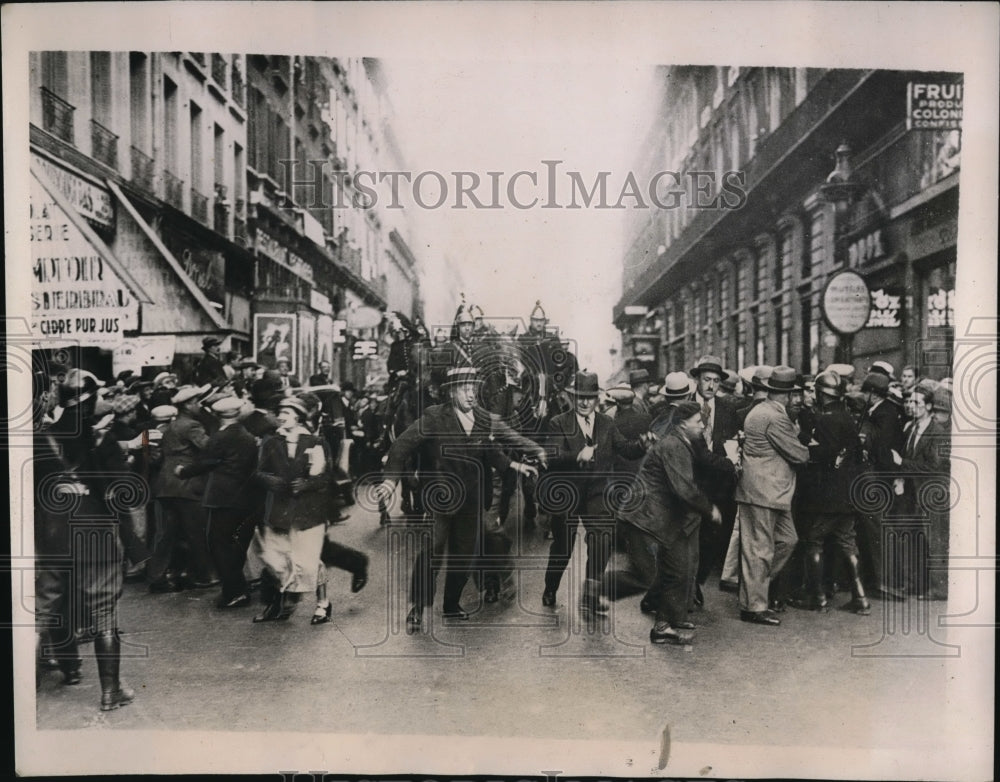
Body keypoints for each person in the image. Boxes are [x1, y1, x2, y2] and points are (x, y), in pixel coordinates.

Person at [376, 366, 546, 633]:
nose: (471, 395)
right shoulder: (434, 417)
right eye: (465, 389)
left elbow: (491, 453)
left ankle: (451, 605)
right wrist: (390, 480)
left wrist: (516, 466)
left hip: (471, 500)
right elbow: (401, 445)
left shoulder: (482, 418)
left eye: (473, 389)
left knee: (463, 555)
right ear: (451, 393)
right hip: (439, 499)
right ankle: (418, 609)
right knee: (433, 551)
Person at [34, 370, 136, 710]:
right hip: (94, 534)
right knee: (104, 614)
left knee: (41, 613)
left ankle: (23, 686)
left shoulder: (41, 438)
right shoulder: (99, 441)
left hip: (53, 535)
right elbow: (122, 494)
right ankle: (110, 693)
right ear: (90, 399)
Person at [541, 370, 646, 615]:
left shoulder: (607, 423)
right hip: (567, 492)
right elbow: (552, 455)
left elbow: (625, 449)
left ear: (597, 398)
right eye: (580, 397)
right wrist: (577, 455)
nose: (585, 402)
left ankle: (591, 595)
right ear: (572, 397)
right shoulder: (559, 422)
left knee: (602, 541)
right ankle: (550, 587)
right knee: (563, 547)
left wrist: (642, 444)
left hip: (597, 492)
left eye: (590, 397)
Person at [621, 401, 722, 645]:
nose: (702, 424)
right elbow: (684, 488)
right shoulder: (675, 445)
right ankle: (598, 591)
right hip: (650, 517)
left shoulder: (681, 441)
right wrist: (710, 509)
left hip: (666, 518)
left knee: (677, 569)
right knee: (649, 575)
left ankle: (666, 624)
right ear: (682, 423)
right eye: (697, 421)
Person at [252, 396, 342, 623]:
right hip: (279, 511)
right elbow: (259, 472)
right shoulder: (271, 442)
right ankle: (283, 602)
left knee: (309, 561)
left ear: (299, 417)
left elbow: (326, 477)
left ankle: (322, 605)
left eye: (287, 413)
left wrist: (308, 484)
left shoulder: (316, 442)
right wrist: (271, 482)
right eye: (280, 412)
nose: (281, 416)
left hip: (308, 512)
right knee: (275, 559)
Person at [788, 370, 871, 614]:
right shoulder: (846, 417)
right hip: (847, 495)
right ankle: (861, 598)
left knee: (814, 541)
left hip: (825, 497)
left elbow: (819, 455)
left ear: (821, 393)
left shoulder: (824, 421)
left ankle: (817, 596)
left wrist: (800, 436)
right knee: (847, 543)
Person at [734, 366, 811, 626]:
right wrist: (806, 446)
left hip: (767, 491)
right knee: (761, 550)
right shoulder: (775, 417)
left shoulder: (763, 411)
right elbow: (799, 454)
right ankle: (754, 606)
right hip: (764, 491)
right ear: (787, 395)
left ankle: (753, 590)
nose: (797, 399)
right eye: (795, 394)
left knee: (787, 540)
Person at [175, 396, 259, 609]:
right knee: (238, 543)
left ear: (218, 415)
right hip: (246, 496)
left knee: (218, 543)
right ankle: (238, 588)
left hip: (223, 497)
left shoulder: (219, 437)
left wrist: (183, 471)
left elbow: (206, 462)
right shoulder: (247, 436)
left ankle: (234, 591)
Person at [149, 385, 217, 592]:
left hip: (166, 484)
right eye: (196, 402)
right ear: (187, 405)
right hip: (187, 484)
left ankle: (157, 576)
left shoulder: (170, 426)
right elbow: (210, 447)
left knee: (166, 534)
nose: (199, 405)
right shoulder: (192, 426)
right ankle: (202, 575)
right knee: (197, 532)